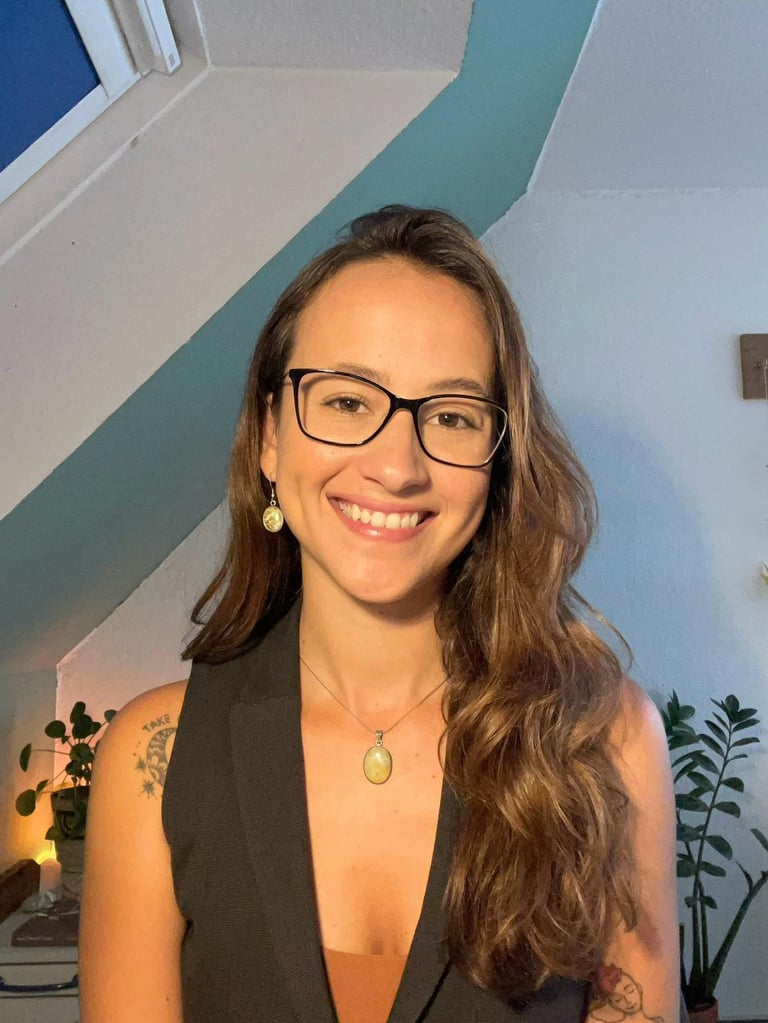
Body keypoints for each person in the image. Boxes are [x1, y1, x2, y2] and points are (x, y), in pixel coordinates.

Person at [79, 205, 681, 1022]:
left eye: (453, 416)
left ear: (499, 462)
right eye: (346, 401)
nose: (397, 466)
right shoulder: (152, 760)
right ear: (269, 435)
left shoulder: (605, 738)